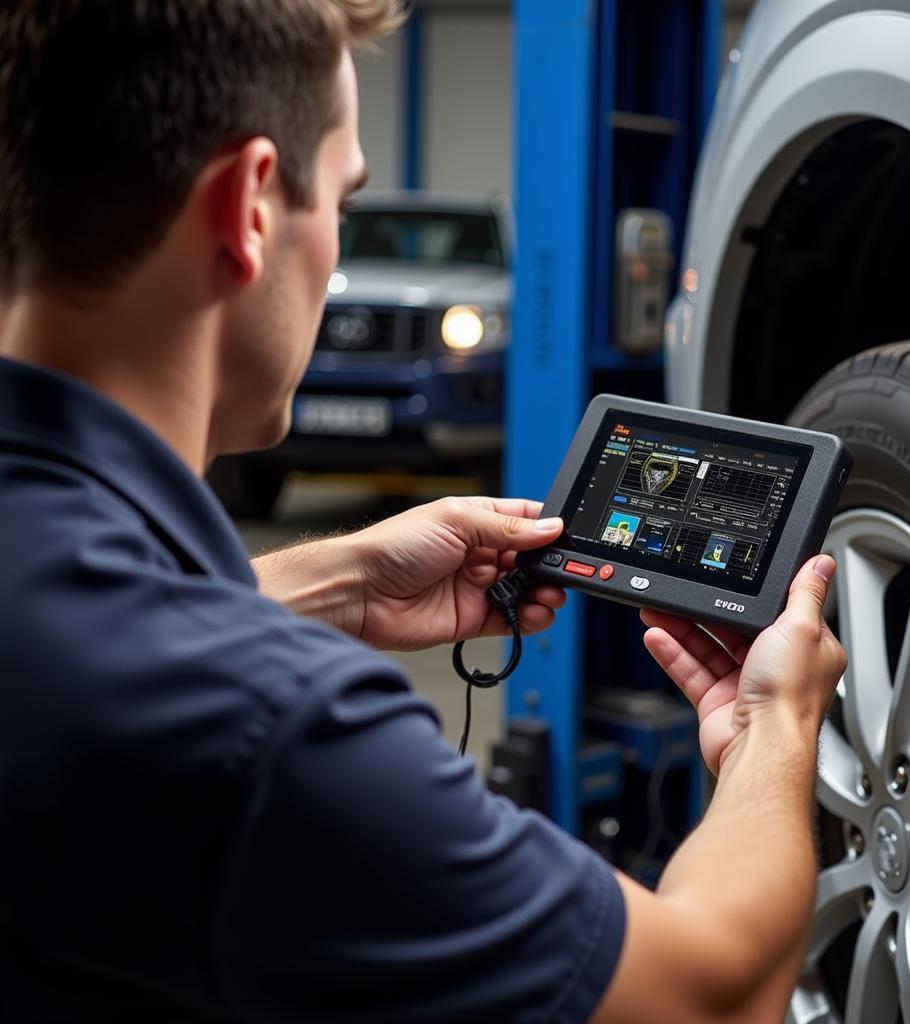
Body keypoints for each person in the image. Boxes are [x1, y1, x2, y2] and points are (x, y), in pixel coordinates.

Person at [0, 2, 847, 1022]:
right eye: (344, 207)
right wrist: (772, 726)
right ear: (251, 208)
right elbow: (714, 995)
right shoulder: (280, 735)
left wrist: (342, 583)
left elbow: (89, 641)